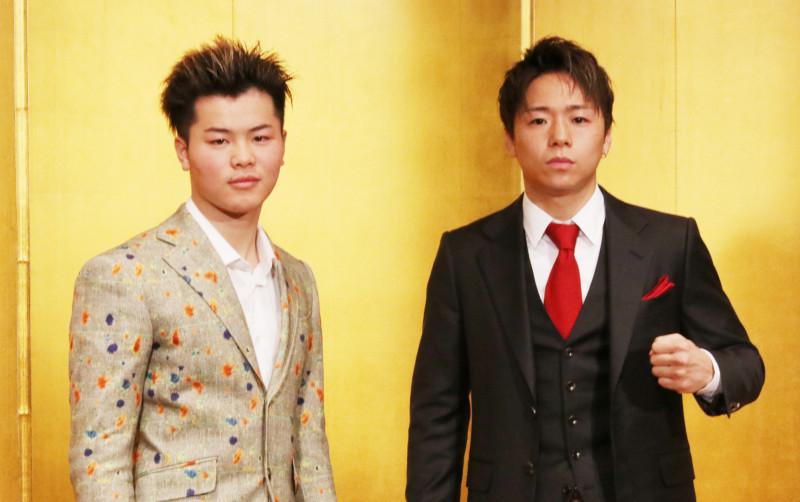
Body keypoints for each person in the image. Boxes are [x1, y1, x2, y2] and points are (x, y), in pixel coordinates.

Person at [406, 36, 764, 502]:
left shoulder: (669, 243)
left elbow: (746, 362)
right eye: (539, 120)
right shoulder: (465, 256)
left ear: (607, 135)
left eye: (579, 119)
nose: (560, 136)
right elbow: (437, 413)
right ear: (510, 138)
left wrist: (708, 370)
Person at [68, 37, 336, 501]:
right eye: (219, 140)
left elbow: (310, 448)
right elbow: (100, 461)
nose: (243, 157)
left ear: (282, 144)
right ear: (183, 150)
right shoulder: (124, 276)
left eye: (260, 137)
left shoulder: (298, 280)